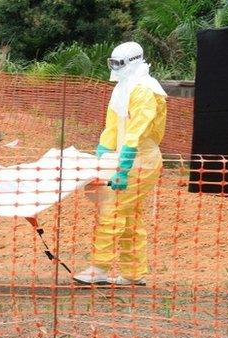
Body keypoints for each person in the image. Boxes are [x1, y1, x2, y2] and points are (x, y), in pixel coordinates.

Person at [74, 42, 167, 286]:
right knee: (130, 217)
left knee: (112, 209)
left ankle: (100, 268)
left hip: (142, 161)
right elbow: (112, 128)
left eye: (119, 63)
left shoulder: (145, 91)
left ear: (133, 61)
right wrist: (99, 159)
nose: (115, 68)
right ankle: (134, 273)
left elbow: (136, 134)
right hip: (125, 158)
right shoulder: (123, 89)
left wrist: (123, 170)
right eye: (112, 63)